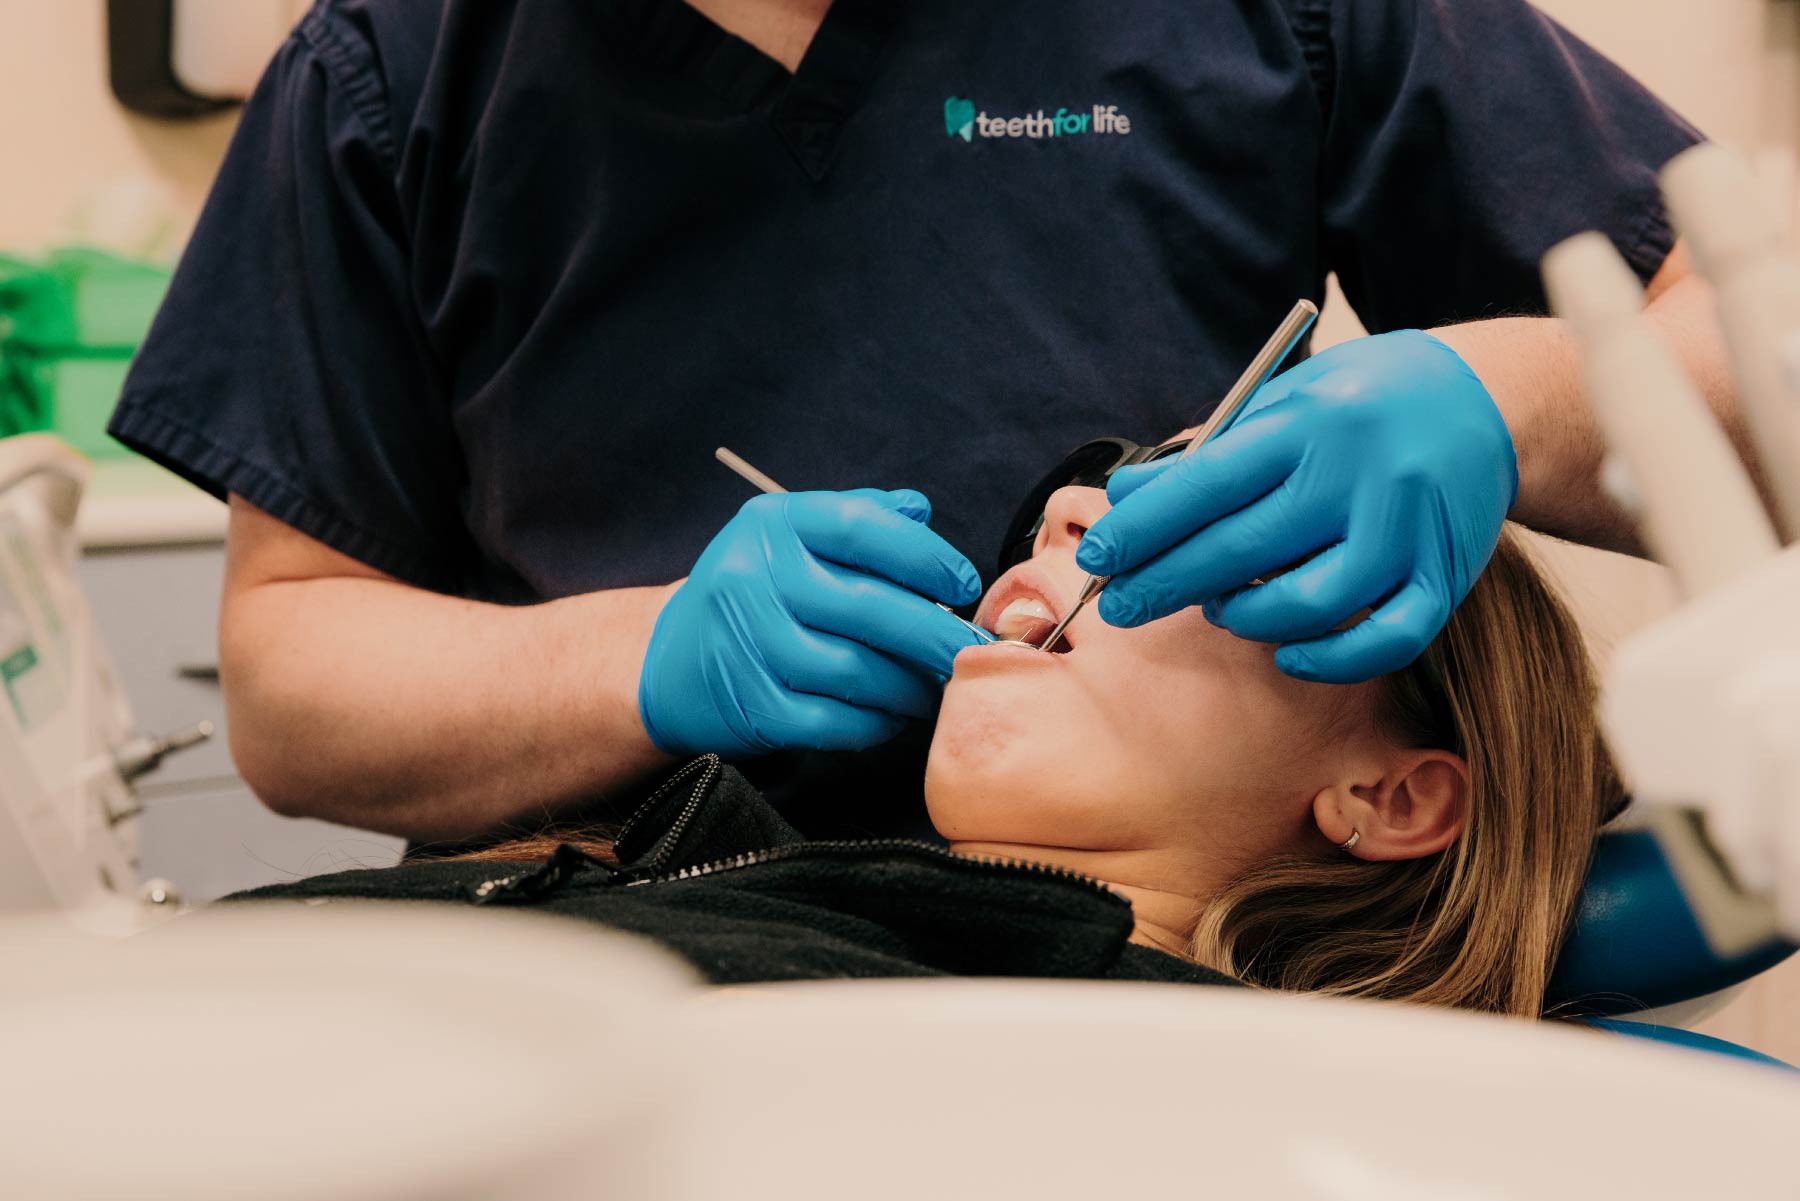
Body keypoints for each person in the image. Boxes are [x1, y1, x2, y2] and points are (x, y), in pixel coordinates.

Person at [111, 0, 1720, 842]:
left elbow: (1748, 347)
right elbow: (290, 677)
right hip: (602, 968)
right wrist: (642, 660)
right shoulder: (397, 64)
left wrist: (1520, 400)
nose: (1059, 534)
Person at [229, 481, 1621, 1018]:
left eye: (1212, 521)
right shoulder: (843, 930)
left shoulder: (1113, 1106)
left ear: (1391, 793)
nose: (1070, 503)